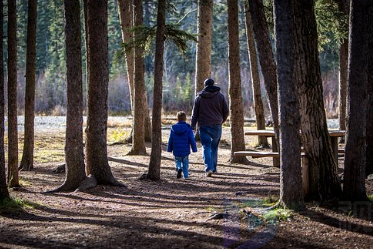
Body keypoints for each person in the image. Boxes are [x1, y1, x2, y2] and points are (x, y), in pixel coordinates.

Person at [191, 78, 229, 177]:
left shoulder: (199, 98)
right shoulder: (220, 96)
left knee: (206, 147)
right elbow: (226, 111)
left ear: (205, 86)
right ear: (213, 85)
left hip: (204, 125)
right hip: (217, 125)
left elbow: (194, 114)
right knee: (214, 147)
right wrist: (221, 120)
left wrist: (192, 126)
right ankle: (214, 168)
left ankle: (208, 168)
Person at [167, 111, 198, 179]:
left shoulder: (173, 128)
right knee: (185, 164)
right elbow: (192, 139)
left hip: (176, 150)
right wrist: (194, 149)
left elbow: (170, 139)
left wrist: (169, 149)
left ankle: (179, 168)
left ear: (177, 119)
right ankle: (186, 176)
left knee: (177, 161)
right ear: (185, 119)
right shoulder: (188, 128)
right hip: (185, 150)